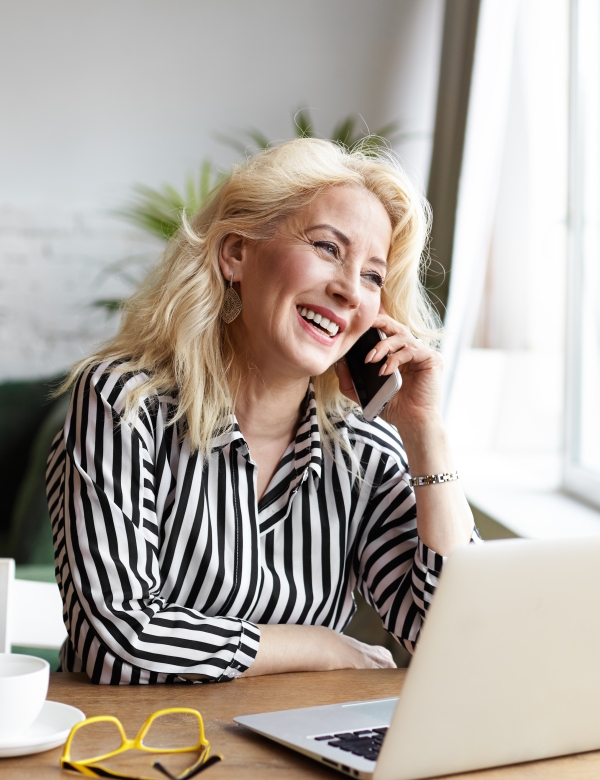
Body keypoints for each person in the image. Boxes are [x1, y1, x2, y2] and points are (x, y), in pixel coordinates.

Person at [46, 138, 477, 685]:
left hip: (299, 754)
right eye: (327, 247)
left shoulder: (364, 450)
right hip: (135, 749)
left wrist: (425, 432)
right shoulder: (124, 403)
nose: (350, 289)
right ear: (236, 254)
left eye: (373, 275)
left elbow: (456, 640)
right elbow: (116, 641)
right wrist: (316, 646)